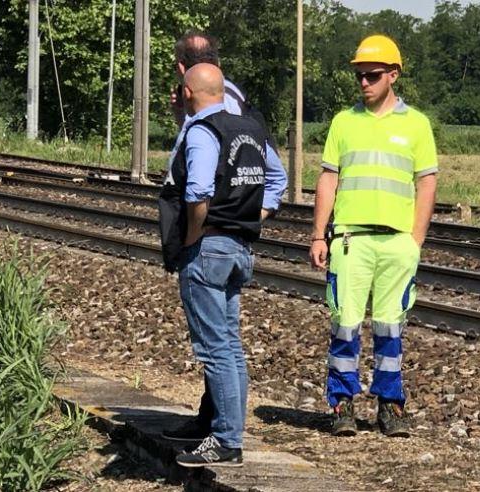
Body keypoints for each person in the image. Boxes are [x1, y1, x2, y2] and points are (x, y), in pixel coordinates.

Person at [309, 35, 438, 438]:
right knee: (344, 324)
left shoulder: (416, 124)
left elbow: (427, 183)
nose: (364, 82)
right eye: (360, 75)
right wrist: (318, 235)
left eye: (373, 75)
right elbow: (328, 178)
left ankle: (390, 405)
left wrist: (414, 240)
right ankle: (342, 404)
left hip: (397, 243)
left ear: (393, 75)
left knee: (390, 327)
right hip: (350, 240)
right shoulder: (343, 123)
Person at [158, 63, 286, 467]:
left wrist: (195, 236)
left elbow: (197, 191)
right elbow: (277, 182)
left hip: (209, 249)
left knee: (215, 350)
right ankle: (218, 425)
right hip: (239, 250)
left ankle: (227, 439)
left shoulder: (202, 131)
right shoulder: (251, 129)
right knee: (229, 346)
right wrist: (251, 218)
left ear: (189, 92)